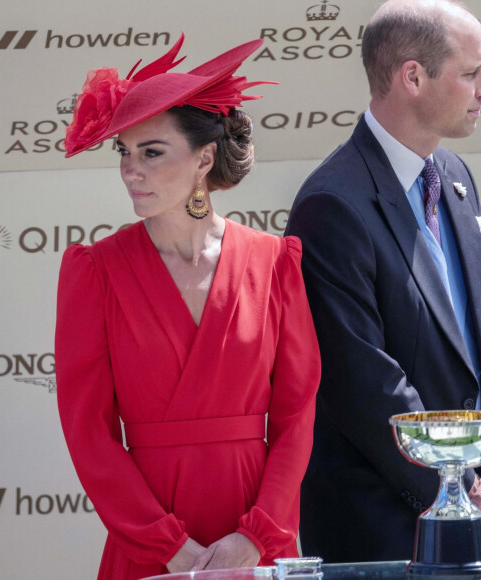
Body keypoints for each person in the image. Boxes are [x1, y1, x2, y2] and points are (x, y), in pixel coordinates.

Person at [55, 35, 320, 579]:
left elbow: (296, 415)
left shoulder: (275, 262)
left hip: (257, 536)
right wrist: (169, 550)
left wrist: (256, 535)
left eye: (151, 152)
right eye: (124, 153)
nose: (132, 169)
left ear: (204, 158)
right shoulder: (94, 272)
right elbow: (89, 434)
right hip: (151, 546)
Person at [285, 0, 481, 563]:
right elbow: (363, 382)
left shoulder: (455, 176)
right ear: (412, 76)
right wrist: (455, 492)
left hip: (465, 514)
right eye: (470, 73)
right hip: (379, 532)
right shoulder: (332, 203)